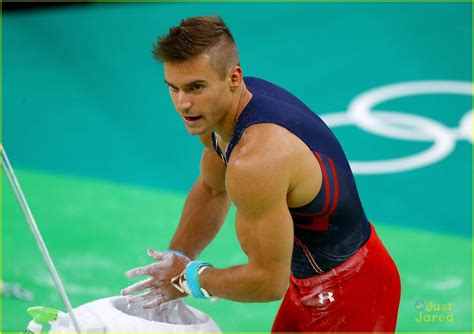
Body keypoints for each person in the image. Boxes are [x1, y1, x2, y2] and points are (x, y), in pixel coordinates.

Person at [121, 15, 401, 332]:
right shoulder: (215, 113)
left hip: (354, 290)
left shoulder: (255, 161)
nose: (183, 103)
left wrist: (188, 279)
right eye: (174, 88)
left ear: (234, 77)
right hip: (306, 281)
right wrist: (173, 259)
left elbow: (267, 282)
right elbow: (212, 190)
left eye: (195, 87)